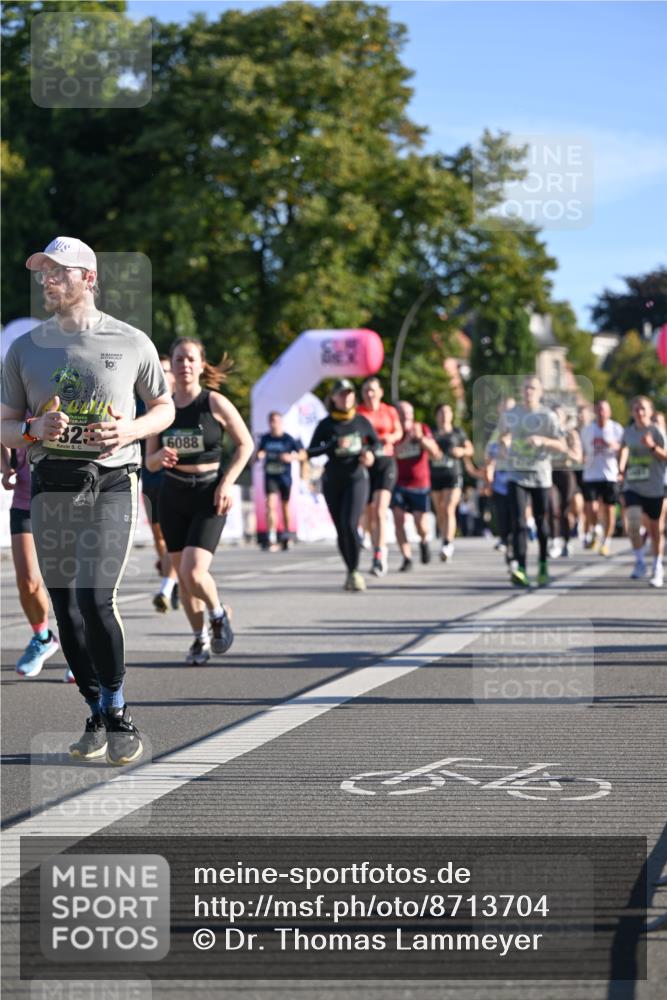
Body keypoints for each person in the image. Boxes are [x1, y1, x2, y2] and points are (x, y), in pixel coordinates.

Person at [1, 236, 175, 765]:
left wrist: (130, 431)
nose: (46, 280)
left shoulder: (131, 342)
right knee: (67, 609)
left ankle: (118, 709)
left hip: (111, 483)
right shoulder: (25, 349)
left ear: (89, 278)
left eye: (58, 272)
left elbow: (163, 407)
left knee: (97, 598)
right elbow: (4, 426)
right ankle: (95, 709)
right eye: (43, 272)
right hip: (52, 485)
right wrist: (32, 428)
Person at [145, 337, 254, 663]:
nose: (185, 364)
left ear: (202, 364)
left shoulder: (214, 403)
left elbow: (245, 445)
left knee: (193, 572)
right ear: (172, 366)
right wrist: (160, 455)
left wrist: (227, 482)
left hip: (209, 495)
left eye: (191, 359)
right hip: (173, 495)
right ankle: (199, 638)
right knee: (184, 578)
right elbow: (148, 461)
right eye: (179, 359)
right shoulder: (160, 409)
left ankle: (218, 614)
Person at [307, 379, 379, 591]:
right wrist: (332, 445)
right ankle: (350, 570)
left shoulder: (361, 421)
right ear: (334, 398)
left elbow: (376, 442)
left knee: (350, 523)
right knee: (340, 529)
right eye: (341, 394)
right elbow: (311, 451)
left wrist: (370, 454)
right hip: (332, 481)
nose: (346, 398)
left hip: (356, 478)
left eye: (349, 394)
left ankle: (356, 571)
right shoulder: (327, 424)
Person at [1, 443, 62, 678]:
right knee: (27, 582)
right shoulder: (10, 405)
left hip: (64, 501)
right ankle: (43, 637)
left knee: (72, 585)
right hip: (24, 501)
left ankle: (87, 651)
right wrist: (6, 468)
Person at [500, 376, 568, 587]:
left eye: (533, 388)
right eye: (526, 388)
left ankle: (542, 564)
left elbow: (563, 446)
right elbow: (502, 440)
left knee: (541, 522)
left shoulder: (547, 416)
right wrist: (504, 444)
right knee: (519, 521)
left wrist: (544, 441)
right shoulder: (511, 415)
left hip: (540, 475)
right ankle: (520, 568)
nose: (528, 391)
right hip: (516, 474)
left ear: (540, 392)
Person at [137, 355, 180, 612]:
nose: (163, 375)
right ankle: (170, 574)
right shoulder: (146, 406)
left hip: (174, 478)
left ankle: (168, 583)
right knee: (159, 535)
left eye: (167, 370)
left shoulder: (182, 405)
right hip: (150, 476)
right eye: (159, 371)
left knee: (171, 534)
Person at [618, 396, 666, 588]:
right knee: (633, 523)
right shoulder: (628, 432)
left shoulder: (657, 431)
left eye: (643, 409)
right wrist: (621, 470)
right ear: (632, 412)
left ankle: (657, 566)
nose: (639, 412)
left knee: (655, 531)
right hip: (633, 485)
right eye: (636, 409)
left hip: (654, 487)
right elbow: (624, 450)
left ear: (650, 411)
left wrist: (652, 446)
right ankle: (639, 562)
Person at [357, 377, 402, 576]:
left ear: (380, 392)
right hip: (367, 463)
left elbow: (399, 432)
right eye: (366, 390)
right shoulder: (359, 413)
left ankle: (379, 554)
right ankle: (375, 544)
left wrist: (389, 438)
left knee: (380, 508)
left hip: (385, 461)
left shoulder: (389, 411)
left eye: (373, 390)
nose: (370, 394)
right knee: (368, 512)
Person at [392, 400, 440, 572]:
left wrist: (420, 439)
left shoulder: (422, 428)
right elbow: (393, 453)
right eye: (402, 413)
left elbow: (435, 453)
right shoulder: (394, 432)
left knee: (421, 525)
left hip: (419, 483)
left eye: (409, 414)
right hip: (398, 482)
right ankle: (407, 557)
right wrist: (406, 440)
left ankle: (424, 541)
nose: (406, 417)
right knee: (398, 518)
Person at [255, 411, 305, 551]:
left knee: (285, 506)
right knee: (270, 505)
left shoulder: (288, 439)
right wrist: (259, 455)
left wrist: (291, 457)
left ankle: (287, 535)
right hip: (270, 475)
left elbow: (303, 454)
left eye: (276, 420)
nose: (273, 423)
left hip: (284, 476)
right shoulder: (265, 438)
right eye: (271, 421)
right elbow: (259, 452)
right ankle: (271, 536)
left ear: (281, 422)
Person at [429, 403, 473, 561]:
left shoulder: (458, 432)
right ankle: (444, 538)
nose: (444, 415)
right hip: (435, 475)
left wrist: (461, 451)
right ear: (436, 415)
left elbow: (470, 449)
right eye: (441, 412)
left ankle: (448, 543)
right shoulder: (431, 433)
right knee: (440, 511)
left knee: (448, 508)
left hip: (453, 474)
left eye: (447, 412)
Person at [580, 400, 623, 557]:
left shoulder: (616, 429)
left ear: (609, 412)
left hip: (609, 474)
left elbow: (624, 448)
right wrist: (581, 458)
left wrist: (615, 446)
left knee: (609, 509)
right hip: (591, 474)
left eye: (604, 410)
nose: (601, 413)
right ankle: (596, 528)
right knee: (590, 507)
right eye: (598, 410)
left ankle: (606, 541)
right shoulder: (587, 430)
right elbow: (581, 450)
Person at [548, 404, 582, 558]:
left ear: (563, 418)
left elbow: (578, 456)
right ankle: (554, 540)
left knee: (566, 509)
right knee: (552, 506)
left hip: (566, 473)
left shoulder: (570, 434)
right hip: (549, 473)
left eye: (557, 415)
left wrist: (564, 450)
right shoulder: (546, 434)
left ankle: (567, 540)